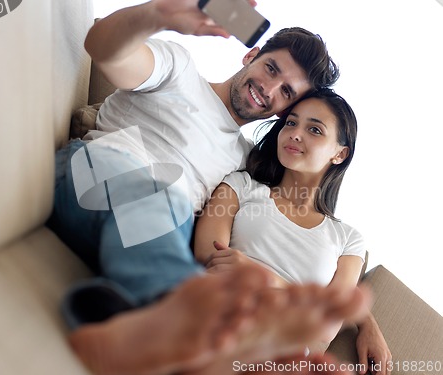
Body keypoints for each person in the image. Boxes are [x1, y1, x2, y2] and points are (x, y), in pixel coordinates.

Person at [46, 0, 373, 373]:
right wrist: (159, 15)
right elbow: (102, 47)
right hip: (93, 176)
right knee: (159, 195)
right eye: (270, 68)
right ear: (250, 54)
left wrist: (365, 320)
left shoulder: (245, 164)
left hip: (151, 232)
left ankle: (137, 323)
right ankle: (180, 327)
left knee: (170, 212)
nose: (268, 89)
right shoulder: (179, 70)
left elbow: (318, 249)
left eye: (285, 92)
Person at [194, 89, 392, 374]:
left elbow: (328, 324)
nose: (295, 134)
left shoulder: (348, 239)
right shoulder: (241, 186)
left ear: (340, 153)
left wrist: (260, 276)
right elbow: (209, 257)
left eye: (314, 129)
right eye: (291, 123)